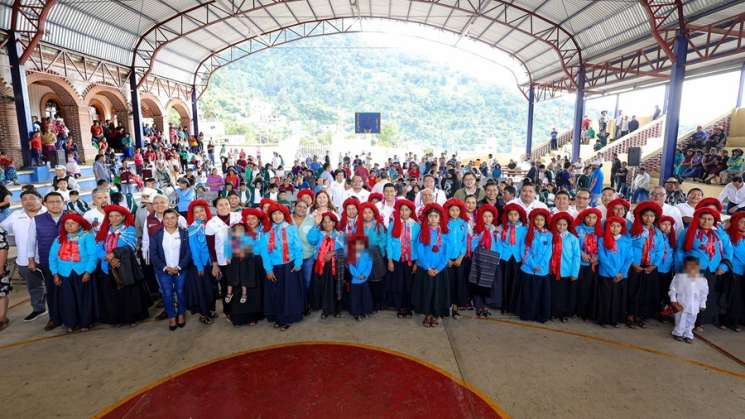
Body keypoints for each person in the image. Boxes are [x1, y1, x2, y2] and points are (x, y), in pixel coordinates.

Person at [676, 207, 732, 329]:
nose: (706, 221)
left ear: (714, 221)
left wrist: (724, 266)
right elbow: (679, 250)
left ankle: (699, 321)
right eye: (703, 218)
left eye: (709, 219)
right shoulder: (688, 231)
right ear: (697, 218)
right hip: (692, 266)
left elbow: (729, 251)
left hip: (712, 268)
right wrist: (679, 268)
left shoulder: (719, 234)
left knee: (704, 296)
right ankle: (684, 324)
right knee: (689, 296)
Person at [95, 205, 150, 326]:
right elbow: (97, 247)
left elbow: (130, 246)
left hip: (125, 267)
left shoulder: (129, 230)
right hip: (107, 266)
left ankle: (131, 318)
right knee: (113, 294)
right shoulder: (103, 230)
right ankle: (117, 318)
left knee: (128, 294)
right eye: (111, 216)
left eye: (117, 216)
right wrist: (107, 257)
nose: (114, 218)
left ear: (123, 217)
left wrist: (113, 255)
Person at [1, 190, 47, 323]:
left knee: (53, 285)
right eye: (24, 199)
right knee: (34, 286)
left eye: (32, 198)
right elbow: (4, 230)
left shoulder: (47, 213)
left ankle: (58, 311)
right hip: (24, 259)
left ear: (40, 199)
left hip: (47, 258)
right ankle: (38, 308)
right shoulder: (16, 215)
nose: (28, 201)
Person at [48, 213, 97, 333]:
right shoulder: (59, 239)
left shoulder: (87, 237)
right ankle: (70, 322)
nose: (69, 226)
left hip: (81, 272)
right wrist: (55, 273)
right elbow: (52, 257)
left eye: (72, 223)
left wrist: (88, 271)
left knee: (83, 298)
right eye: (67, 223)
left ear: (80, 225)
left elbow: (93, 256)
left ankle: (85, 322)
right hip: (64, 273)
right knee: (67, 299)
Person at [260, 203, 304, 330]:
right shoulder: (267, 231)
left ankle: (288, 318)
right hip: (275, 267)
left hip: (290, 265)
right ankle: (279, 316)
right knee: (277, 294)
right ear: (271, 216)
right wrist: (268, 269)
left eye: (280, 213)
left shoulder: (291, 228)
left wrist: (298, 263)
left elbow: (298, 247)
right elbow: (265, 252)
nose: (277, 216)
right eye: (274, 214)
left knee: (289, 294)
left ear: (284, 215)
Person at [26, 192, 66, 330]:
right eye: (51, 202)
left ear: (63, 203)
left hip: (72, 260)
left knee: (70, 289)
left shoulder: (72, 217)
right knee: (52, 290)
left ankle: (72, 316)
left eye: (58, 201)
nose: (55, 204)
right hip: (47, 261)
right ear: (45, 204)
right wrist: (31, 259)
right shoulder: (37, 220)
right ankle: (54, 318)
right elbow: (30, 241)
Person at [149, 209, 191, 331]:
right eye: (166, 218)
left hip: (180, 269)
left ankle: (181, 314)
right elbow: (154, 254)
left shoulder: (184, 234)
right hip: (163, 270)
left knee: (180, 291)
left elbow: (188, 253)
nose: (169, 221)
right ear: (163, 220)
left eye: (172, 218)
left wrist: (179, 267)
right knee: (167, 293)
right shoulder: (157, 235)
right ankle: (171, 316)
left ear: (177, 219)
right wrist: (165, 267)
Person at [412, 203, 450, 328]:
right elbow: (419, 251)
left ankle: (436, 314)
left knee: (438, 293)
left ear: (440, 218)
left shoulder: (445, 233)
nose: (433, 219)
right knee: (426, 292)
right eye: (431, 216)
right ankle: (427, 314)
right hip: (425, 269)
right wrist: (427, 267)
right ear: (427, 218)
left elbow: (446, 253)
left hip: (439, 269)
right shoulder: (423, 233)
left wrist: (438, 269)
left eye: (436, 216)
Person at [627, 202, 664, 328]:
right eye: (646, 216)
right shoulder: (634, 230)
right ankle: (630, 315)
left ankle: (640, 316)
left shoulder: (658, 233)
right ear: (641, 216)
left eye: (652, 216)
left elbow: (660, 250)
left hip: (650, 267)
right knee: (633, 291)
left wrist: (654, 265)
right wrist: (633, 263)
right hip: (636, 266)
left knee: (645, 292)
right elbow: (629, 247)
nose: (649, 219)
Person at [204, 196, 242, 315]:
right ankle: (229, 311)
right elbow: (210, 246)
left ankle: (241, 311)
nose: (224, 207)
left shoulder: (238, 217)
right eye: (221, 205)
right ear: (215, 208)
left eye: (226, 204)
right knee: (226, 286)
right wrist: (215, 264)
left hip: (239, 258)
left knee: (240, 284)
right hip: (222, 261)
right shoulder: (211, 223)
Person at [597, 217, 633, 327]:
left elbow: (629, 258)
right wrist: (613, 273)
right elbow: (602, 257)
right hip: (606, 274)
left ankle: (615, 320)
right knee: (605, 298)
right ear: (608, 227)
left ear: (622, 228)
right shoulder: (602, 240)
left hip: (621, 275)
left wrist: (622, 272)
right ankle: (604, 320)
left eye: (618, 226)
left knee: (618, 298)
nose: (615, 228)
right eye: (612, 226)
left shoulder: (626, 240)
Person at [386, 199, 419, 318]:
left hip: (411, 259)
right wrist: (390, 260)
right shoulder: (393, 224)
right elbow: (389, 242)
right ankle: (400, 307)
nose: (404, 212)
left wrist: (417, 262)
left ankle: (408, 306)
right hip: (397, 258)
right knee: (398, 283)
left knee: (409, 284)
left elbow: (418, 244)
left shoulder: (416, 225)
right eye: (402, 210)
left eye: (407, 210)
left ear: (411, 211)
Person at [308, 211, 345, 318]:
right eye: (324, 222)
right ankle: (325, 310)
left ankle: (337, 309)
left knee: (336, 287)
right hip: (321, 265)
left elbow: (345, 250)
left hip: (335, 265)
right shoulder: (319, 234)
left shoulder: (340, 234)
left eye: (330, 222)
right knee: (323, 287)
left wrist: (333, 253)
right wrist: (315, 225)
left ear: (334, 223)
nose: (327, 224)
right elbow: (311, 240)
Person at [185, 200, 217, 325]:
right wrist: (199, 266)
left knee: (213, 288)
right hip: (201, 265)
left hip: (212, 263)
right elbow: (194, 249)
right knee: (203, 290)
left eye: (201, 210)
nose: (199, 214)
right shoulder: (192, 228)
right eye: (196, 212)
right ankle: (204, 314)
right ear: (192, 215)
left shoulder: (210, 224)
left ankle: (211, 309)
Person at [518, 208, 552, 323]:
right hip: (528, 269)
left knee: (539, 294)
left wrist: (540, 265)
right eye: (536, 219)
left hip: (542, 270)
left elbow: (548, 252)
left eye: (541, 219)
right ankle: (527, 314)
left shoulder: (549, 235)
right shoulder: (527, 233)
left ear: (545, 221)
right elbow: (524, 251)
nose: (539, 222)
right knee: (528, 294)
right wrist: (532, 265)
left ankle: (539, 315)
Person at [468, 204, 500, 318]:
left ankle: (486, 305)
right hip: (479, 260)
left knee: (488, 284)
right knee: (477, 282)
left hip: (491, 260)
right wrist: (480, 237)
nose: (487, 219)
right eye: (484, 216)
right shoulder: (477, 230)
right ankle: (478, 305)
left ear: (493, 218)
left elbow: (497, 246)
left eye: (489, 216)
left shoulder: (496, 231)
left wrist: (497, 259)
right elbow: (472, 246)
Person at [549, 212, 580, 322]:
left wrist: (574, 273)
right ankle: (553, 312)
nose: (561, 227)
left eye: (564, 225)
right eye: (559, 224)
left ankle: (564, 313)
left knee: (565, 294)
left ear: (568, 225)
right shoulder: (551, 236)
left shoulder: (573, 239)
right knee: (554, 292)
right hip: (553, 270)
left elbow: (577, 256)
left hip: (567, 271)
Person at [669, 256, 708, 343]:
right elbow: (673, 289)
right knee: (680, 319)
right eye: (688, 265)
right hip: (681, 303)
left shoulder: (702, 280)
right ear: (684, 266)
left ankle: (688, 334)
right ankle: (678, 333)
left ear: (698, 267)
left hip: (694, 305)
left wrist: (702, 304)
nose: (691, 268)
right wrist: (674, 300)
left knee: (691, 321)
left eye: (693, 266)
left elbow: (704, 293)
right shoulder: (679, 277)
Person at [356, 202, 387, 311]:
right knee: (366, 278)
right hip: (363, 256)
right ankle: (368, 302)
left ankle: (378, 302)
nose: (367, 215)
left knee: (376, 279)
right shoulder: (358, 225)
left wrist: (380, 253)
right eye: (365, 213)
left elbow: (383, 241)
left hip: (376, 255)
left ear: (374, 214)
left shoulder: (379, 226)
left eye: (370, 212)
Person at [573, 208, 602, 320]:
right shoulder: (577, 229)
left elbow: (602, 246)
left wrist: (597, 257)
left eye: (594, 218)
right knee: (577, 287)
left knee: (588, 288)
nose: (591, 220)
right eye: (588, 217)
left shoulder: (599, 231)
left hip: (592, 265)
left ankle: (585, 311)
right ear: (584, 218)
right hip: (579, 264)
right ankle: (575, 309)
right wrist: (581, 253)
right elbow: (574, 245)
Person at [723, 212, 745, 331]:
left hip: (744, 272)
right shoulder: (730, 236)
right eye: (742, 222)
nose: (744, 225)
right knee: (734, 298)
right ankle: (732, 321)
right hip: (734, 271)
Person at [347, 234, 373, 320]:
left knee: (365, 297)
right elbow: (351, 267)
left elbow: (369, 266)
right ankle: (356, 313)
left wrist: (364, 275)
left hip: (364, 280)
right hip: (355, 281)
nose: (359, 246)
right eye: (356, 244)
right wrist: (358, 275)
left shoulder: (367, 254)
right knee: (355, 298)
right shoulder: (351, 255)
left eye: (361, 244)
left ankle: (365, 311)